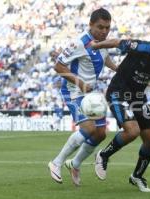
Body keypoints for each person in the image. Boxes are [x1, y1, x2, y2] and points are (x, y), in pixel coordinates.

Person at [91, 38, 150, 192]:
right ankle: (103, 155)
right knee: (133, 131)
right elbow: (116, 42)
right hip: (118, 92)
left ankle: (137, 176)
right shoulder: (143, 47)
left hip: (137, 97)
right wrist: (96, 45)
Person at [48, 8, 117, 186]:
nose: (104, 31)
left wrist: (118, 69)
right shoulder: (78, 43)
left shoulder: (102, 42)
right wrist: (79, 83)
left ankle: (75, 164)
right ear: (91, 25)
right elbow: (58, 66)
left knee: (101, 133)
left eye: (107, 28)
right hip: (74, 92)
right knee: (88, 129)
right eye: (100, 27)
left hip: (91, 93)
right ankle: (56, 162)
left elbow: (105, 58)